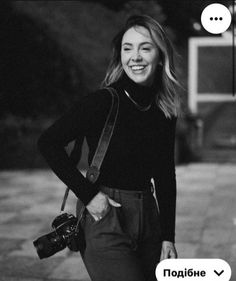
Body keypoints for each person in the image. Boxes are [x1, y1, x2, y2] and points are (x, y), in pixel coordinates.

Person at [38, 14, 180, 281]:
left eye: (145, 48)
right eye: (128, 49)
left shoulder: (165, 109)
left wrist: (168, 236)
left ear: (160, 56)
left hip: (149, 216)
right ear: (120, 56)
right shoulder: (103, 101)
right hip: (105, 217)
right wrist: (89, 195)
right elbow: (48, 142)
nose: (135, 57)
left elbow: (164, 174)